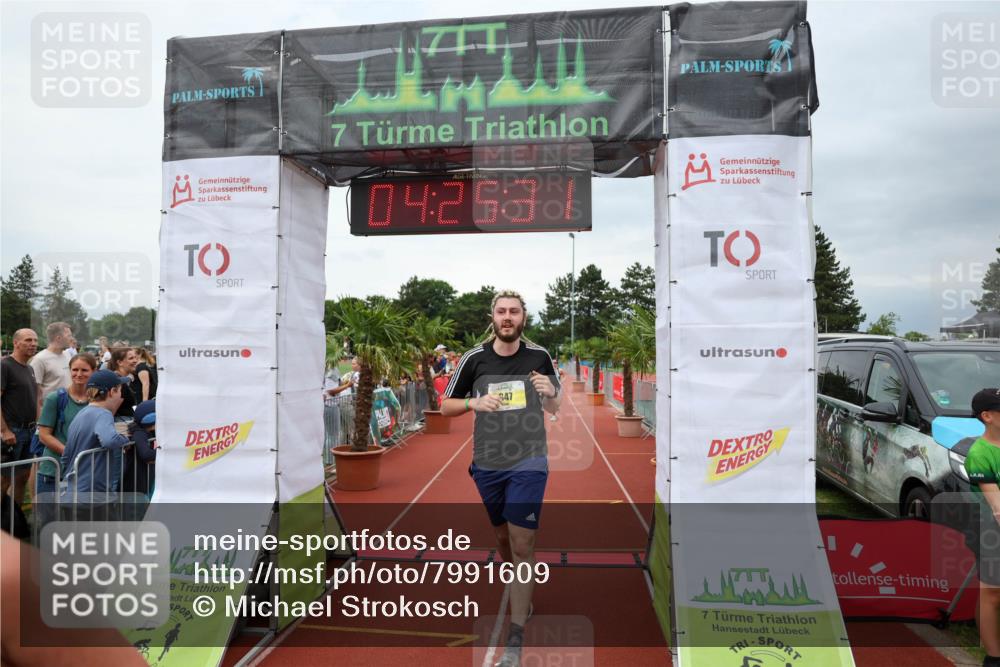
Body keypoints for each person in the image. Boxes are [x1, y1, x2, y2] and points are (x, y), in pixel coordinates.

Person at [440, 290, 560, 667]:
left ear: (524, 317)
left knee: (523, 545)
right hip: (488, 464)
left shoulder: (539, 356)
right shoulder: (474, 359)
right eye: (502, 311)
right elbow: (445, 406)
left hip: (529, 461)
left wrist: (551, 392)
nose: (508, 317)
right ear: (492, 317)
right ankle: (518, 577)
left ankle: (516, 634)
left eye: (514, 311)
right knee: (503, 538)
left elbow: (555, 406)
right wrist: (473, 402)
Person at [964, 388, 1000, 667]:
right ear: (987, 416)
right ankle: (993, 657)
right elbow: (996, 505)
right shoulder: (979, 454)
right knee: (992, 593)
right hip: (990, 529)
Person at [60, 370, 131, 498]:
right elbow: (110, 440)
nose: (121, 395)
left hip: (74, 488)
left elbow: (66, 456)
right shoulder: (103, 414)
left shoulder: (82, 413)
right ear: (112, 392)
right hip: (92, 490)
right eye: (120, 390)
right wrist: (125, 440)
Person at [35, 353, 97, 495]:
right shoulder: (55, 398)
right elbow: (44, 435)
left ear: (94, 371)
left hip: (84, 473)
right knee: (50, 517)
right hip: (53, 472)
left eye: (84, 370)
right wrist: (70, 453)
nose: (79, 374)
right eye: (75, 370)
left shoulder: (97, 401)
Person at [1, 329, 39, 505]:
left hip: (29, 431)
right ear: (16, 343)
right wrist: (5, 430)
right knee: (4, 479)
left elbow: (35, 399)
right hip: (12, 432)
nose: (33, 343)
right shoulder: (5, 366)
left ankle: (13, 520)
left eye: (35, 340)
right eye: (28, 340)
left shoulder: (30, 368)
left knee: (22, 477)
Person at [124, 399, 156, 497]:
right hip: (135, 487)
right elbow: (146, 455)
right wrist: (163, 451)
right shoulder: (139, 433)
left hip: (143, 483)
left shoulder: (147, 432)